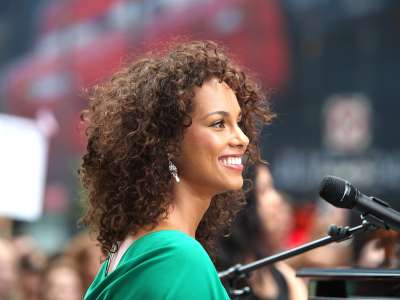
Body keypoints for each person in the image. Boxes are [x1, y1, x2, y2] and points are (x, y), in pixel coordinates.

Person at [79, 40, 274, 299]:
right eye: (218, 123)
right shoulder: (179, 258)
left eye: (238, 122)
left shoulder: (126, 251)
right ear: (169, 144)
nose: (242, 138)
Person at [217, 165, 307, 300]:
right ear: (240, 202)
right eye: (265, 189)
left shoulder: (287, 278)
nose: (277, 199)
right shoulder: (216, 275)